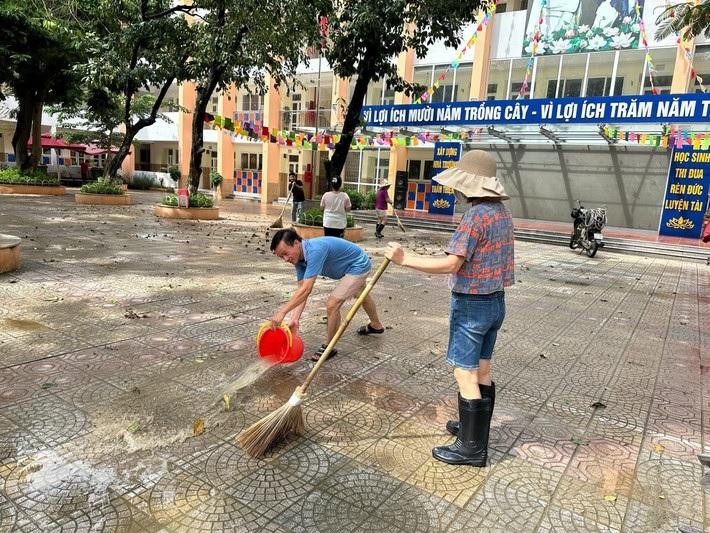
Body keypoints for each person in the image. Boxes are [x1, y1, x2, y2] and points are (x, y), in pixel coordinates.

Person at [385, 150, 514, 467]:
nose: (456, 191)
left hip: (472, 304)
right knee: (483, 368)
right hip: (496, 302)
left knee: (464, 372)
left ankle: (471, 449)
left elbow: (452, 264)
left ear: (468, 186)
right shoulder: (501, 214)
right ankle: (474, 433)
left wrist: (405, 260)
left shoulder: (475, 216)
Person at [269, 228, 386, 361]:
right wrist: (294, 319)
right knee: (362, 295)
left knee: (332, 304)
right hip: (348, 266)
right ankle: (376, 326)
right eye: (281, 257)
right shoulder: (299, 259)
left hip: (358, 265)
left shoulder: (315, 250)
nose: (285, 259)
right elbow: (301, 290)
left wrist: (282, 312)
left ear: (296, 243)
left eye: (285, 253)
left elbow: (306, 289)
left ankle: (329, 347)